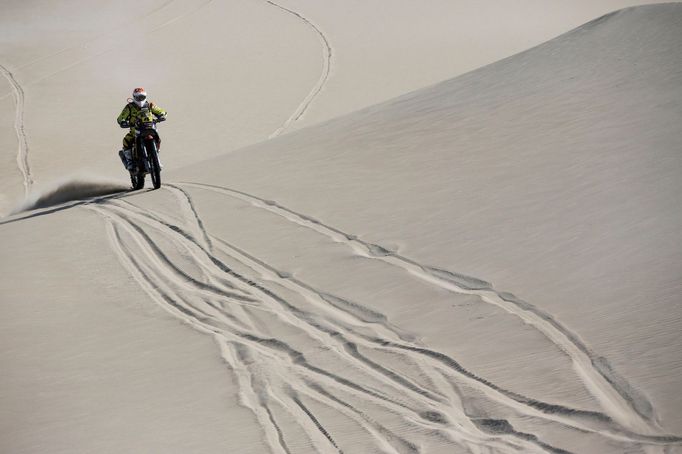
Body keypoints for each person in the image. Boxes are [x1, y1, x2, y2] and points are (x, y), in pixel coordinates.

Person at [117, 87, 167, 171]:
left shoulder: (150, 105)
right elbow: (120, 118)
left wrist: (162, 116)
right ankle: (130, 162)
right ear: (134, 97)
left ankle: (156, 158)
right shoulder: (129, 107)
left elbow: (162, 112)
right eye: (138, 97)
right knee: (126, 141)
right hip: (135, 131)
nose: (140, 99)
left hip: (150, 128)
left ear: (145, 97)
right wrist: (123, 122)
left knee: (158, 139)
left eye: (142, 97)